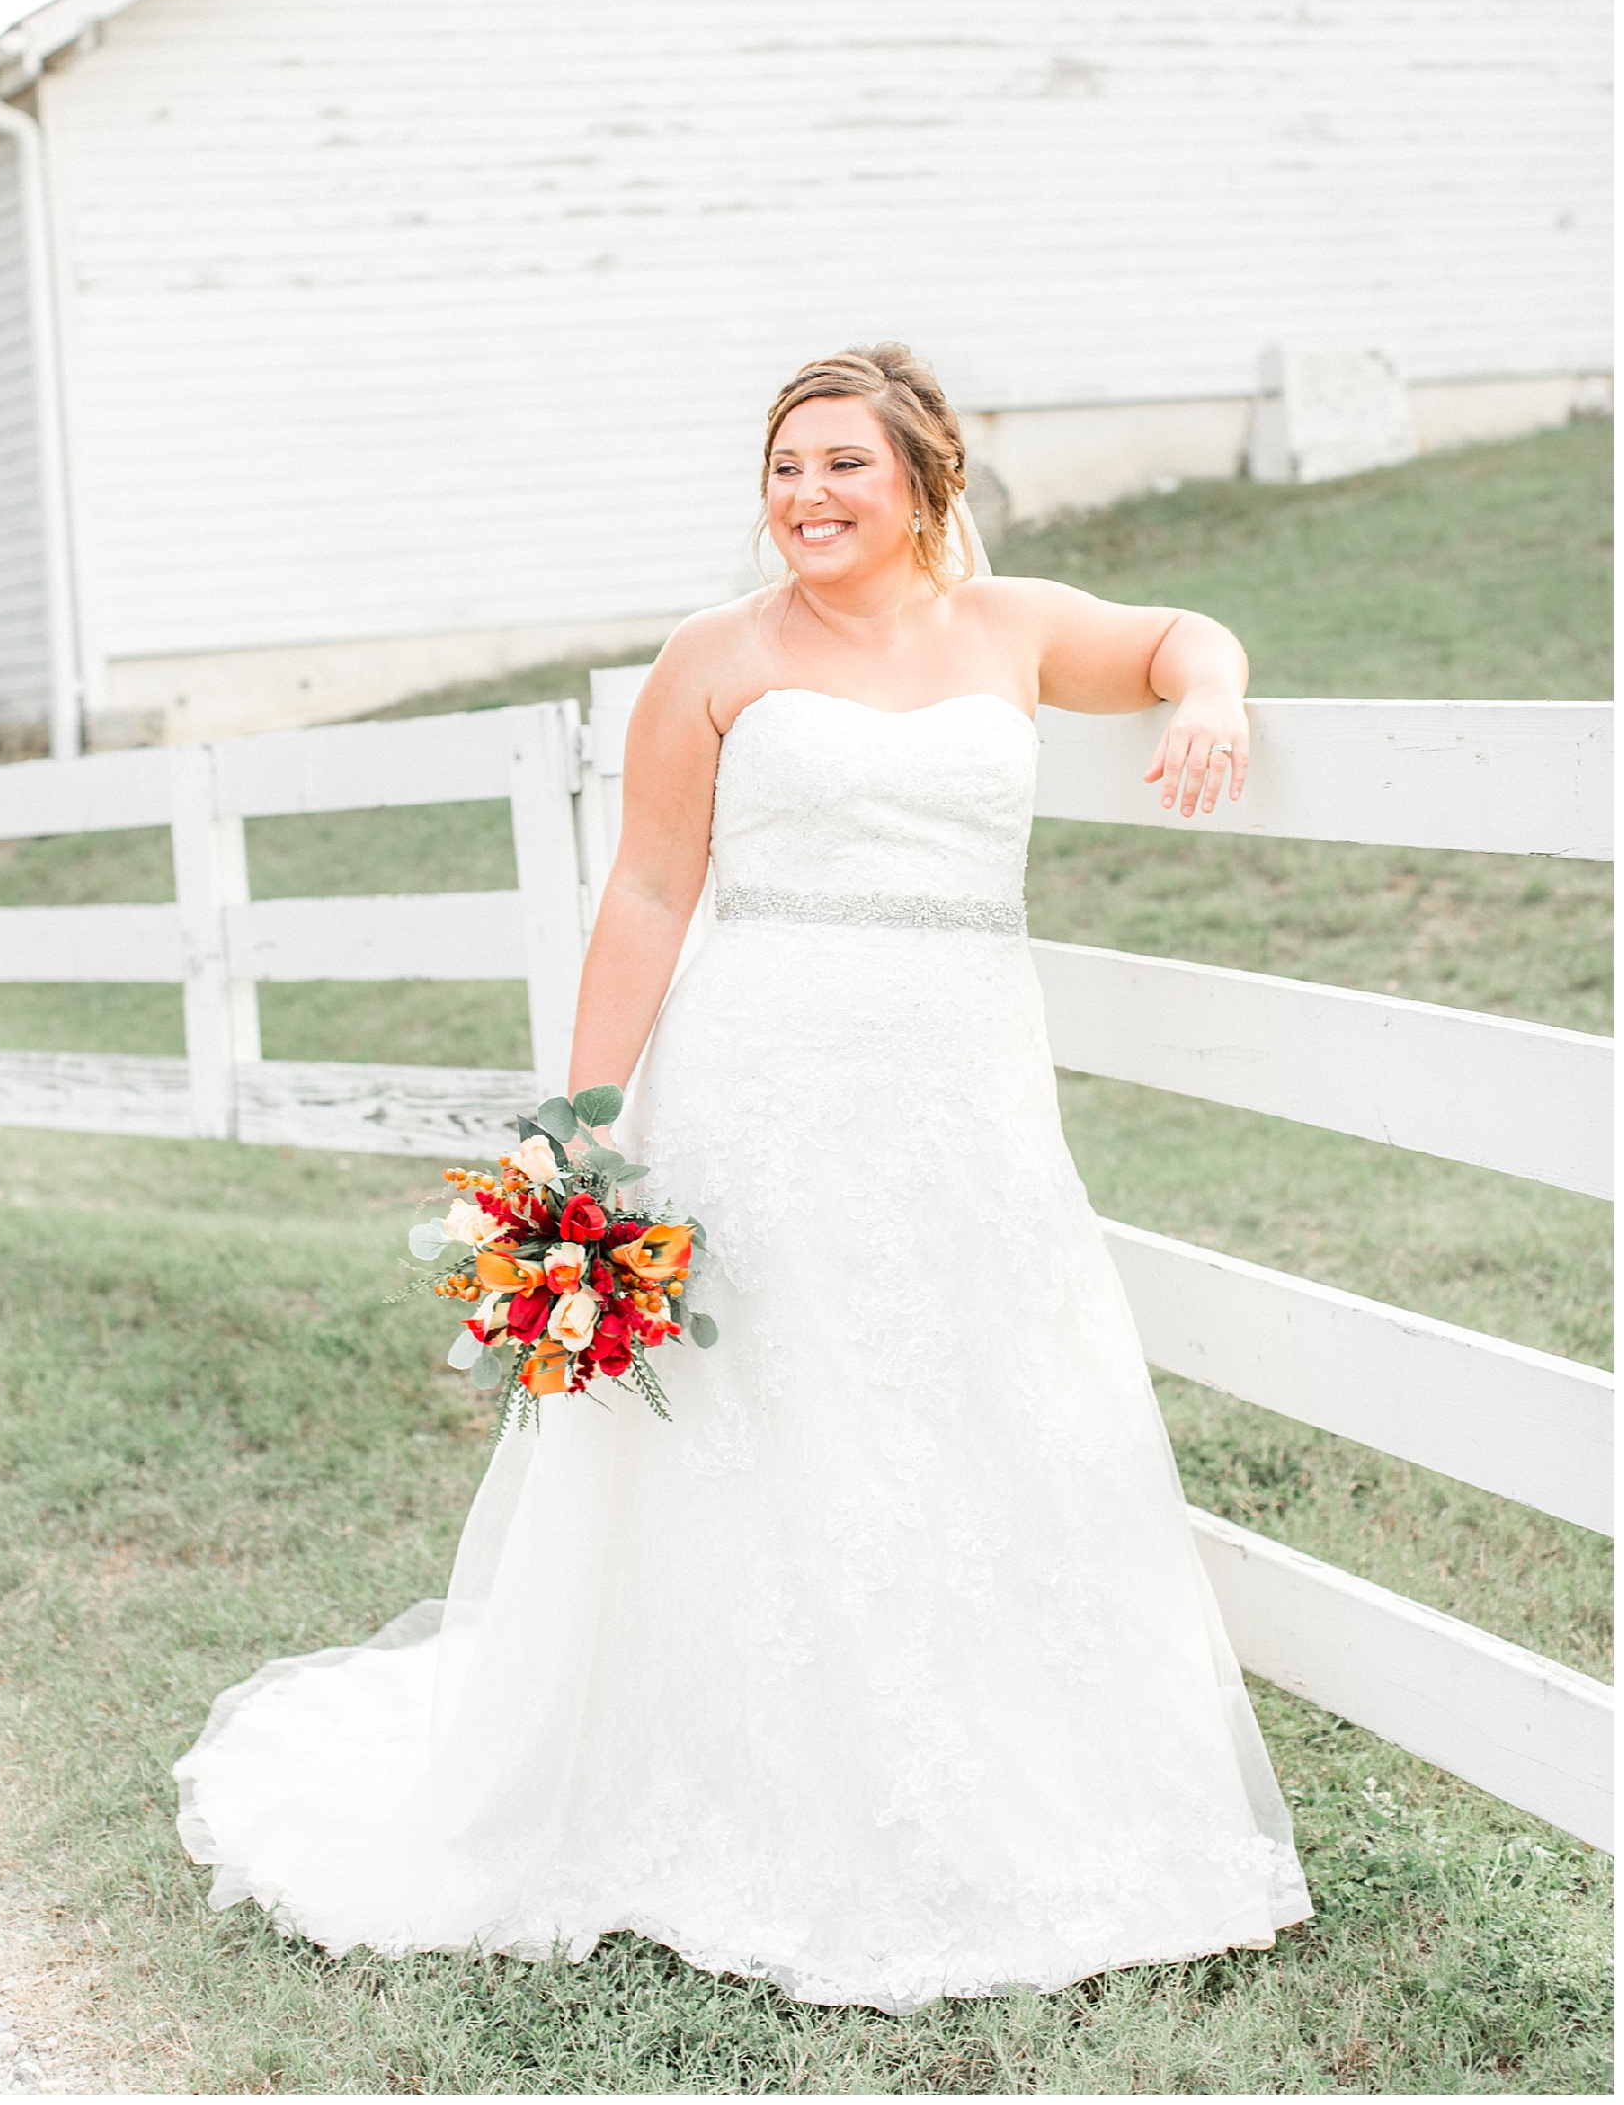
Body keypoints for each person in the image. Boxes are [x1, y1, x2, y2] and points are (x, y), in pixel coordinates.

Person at [174, 342, 1312, 2009]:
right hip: (762, 1083)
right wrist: (580, 1121)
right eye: (785, 466)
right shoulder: (716, 654)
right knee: (779, 1408)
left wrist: (1209, 692)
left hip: (964, 1086)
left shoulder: (1012, 626)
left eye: (845, 463)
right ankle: (751, 1789)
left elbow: (1175, 638)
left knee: (980, 1386)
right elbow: (648, 888)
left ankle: (1008, 1778)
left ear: (924, 480)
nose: (808, 494)